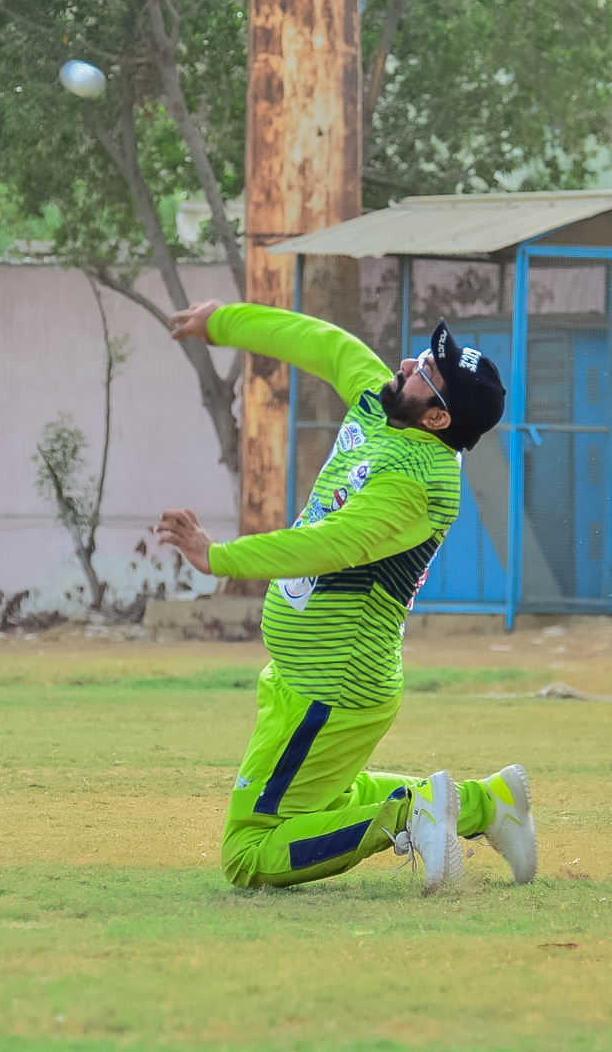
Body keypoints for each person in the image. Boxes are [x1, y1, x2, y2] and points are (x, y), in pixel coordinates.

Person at [155, 300, 536, 895]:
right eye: (423, 357)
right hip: (306, 679)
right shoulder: (383, 403)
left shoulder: (422, 481)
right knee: (325, 801)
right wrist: (223, 321)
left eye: (425, 373)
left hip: (333, 686)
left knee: (247, 853)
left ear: (437, 418)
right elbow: (324, 343)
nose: (407, 364)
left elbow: (334, 544)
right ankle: (488, 804)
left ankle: (409, 816)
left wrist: (219, 557)